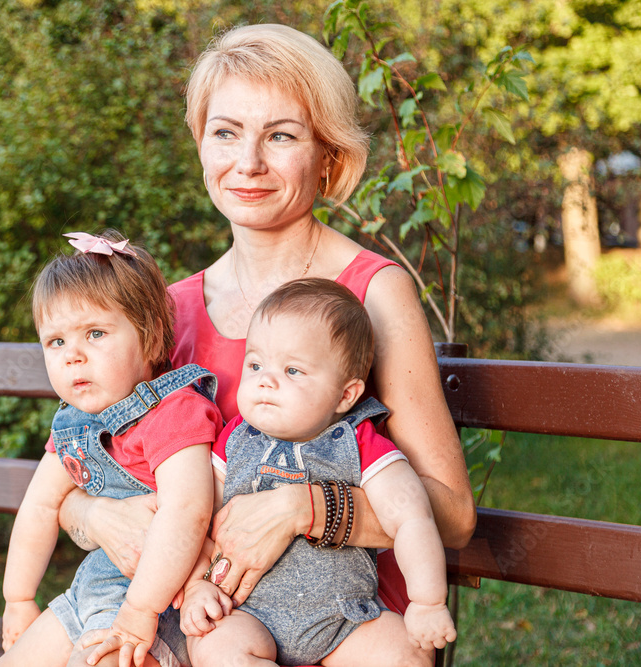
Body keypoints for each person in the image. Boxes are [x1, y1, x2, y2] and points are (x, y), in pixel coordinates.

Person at [58, 23, 476, 667]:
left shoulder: (371, 292)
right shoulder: (166, 307)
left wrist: (302, 507)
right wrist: (96, 518)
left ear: (329, 156)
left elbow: (451, 514)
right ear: (201, 143)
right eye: (226, 132)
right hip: (202, 620)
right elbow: (82, 469)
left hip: (346, 627)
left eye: (280, 135)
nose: (247, 162)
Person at [179, 278, 456, 666]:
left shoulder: (357, 442)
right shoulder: (235, 439)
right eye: (255, 364)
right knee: (217, 648)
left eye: (293, 370)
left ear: (346, 395)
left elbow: (412, 517)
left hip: (344, 620)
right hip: (246, 613)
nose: (266, 379)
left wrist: (428, 601)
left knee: (402, 654)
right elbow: (192, 517)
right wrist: (196, 586)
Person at [0, 231, 223, 667]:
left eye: (95, 333)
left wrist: (140, 609)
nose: (72, 356)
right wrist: (19, 597)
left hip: (153, 605)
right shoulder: (74, 423)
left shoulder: (174, 411)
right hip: (86, 593)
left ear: (151, 334)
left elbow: (187, 511)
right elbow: (41, 507)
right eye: (56, 341)